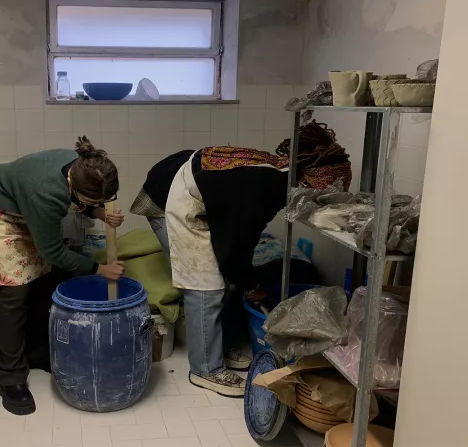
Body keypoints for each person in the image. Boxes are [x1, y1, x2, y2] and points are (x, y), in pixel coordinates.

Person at [130, 121, 352, 397]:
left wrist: (244, 278)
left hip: (191, 181)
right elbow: (233, 247)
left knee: (224, 278)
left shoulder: (282, 172)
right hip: (171, 195)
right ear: (309, 182)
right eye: (323, 192)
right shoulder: (266, 188)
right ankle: (205, 370)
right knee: (205, 287)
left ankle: (218, 347)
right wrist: (250, 284)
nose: (321, 199)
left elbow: (241, 238)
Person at [0, 136, 125, 415]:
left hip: (27, 212)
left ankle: (36, 352)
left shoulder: (83, 165)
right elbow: (53, 250)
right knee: (11, 294)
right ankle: (10, 379)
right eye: (94, 200)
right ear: (72, 186)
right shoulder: (45, 192)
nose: (99, 203)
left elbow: (79, 203)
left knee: (43, 282)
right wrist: (100, 269)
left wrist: (100, 212)